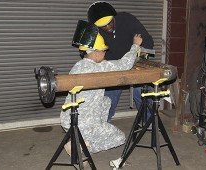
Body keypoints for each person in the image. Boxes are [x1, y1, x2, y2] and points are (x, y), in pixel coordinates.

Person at [60, 20, 143, 154]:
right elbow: (125, 64)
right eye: (104, 51)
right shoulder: (100, 68)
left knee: (106, 101)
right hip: (83, 124)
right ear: (97, 53)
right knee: (120, 138)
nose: (105, 53)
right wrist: (135, 45)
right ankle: (83, 147)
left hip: (68, 119)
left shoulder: (78, 66)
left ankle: (88, 136)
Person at [88, 1, 154, 122]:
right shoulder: (93, 30)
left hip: (135, 63)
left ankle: (148, 121)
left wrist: (139, 57)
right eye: (103, 26)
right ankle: (102, 124)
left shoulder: (127, 20)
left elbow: (148, 42)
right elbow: (85, 53)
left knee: (141, 93)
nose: (107, 27)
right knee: (109, 98)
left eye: (109, 23)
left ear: (114, 17)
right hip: (113, 67)